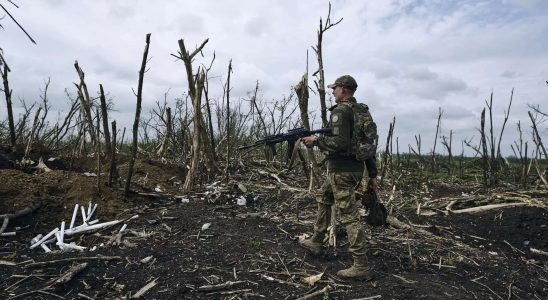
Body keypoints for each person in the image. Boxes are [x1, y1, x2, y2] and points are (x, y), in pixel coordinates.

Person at [300, 75, 378, 280]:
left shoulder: (341, 112)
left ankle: (360, 265)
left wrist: (316, 141)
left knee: (349, 215)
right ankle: (317, 241)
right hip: (353, 169)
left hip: (341, 171)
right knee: (324, 197)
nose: (333, 91)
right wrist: (372, 174)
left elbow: (341, 144)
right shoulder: (361, 111)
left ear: (343, 90)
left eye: (335, 88)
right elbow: (368, 145)